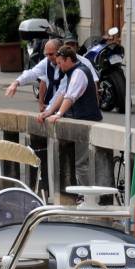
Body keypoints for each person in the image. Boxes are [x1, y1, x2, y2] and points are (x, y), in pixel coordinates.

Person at [37, 46, 101, 183]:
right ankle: (79, 194)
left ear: (68, 60)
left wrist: (59, 113)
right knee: (73, 162)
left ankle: (87, 197)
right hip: (78, 119)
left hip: (86, 121)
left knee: (81, 164)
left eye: (60, 63)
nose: (59, 67)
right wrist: (49, 111)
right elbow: (62, 93)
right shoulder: (72, 72)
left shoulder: (78, 72)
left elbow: (70, 97)